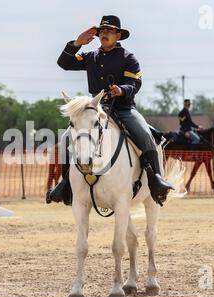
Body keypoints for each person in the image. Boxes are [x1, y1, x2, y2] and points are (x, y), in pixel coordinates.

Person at [46, 15, 173, 207]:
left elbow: (135, 83)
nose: (104, 34)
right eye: (101, 31)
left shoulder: (129, 58)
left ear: (118, 35)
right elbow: (64, 63)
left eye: (109, 31)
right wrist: (77, 43)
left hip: (123, 109)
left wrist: (122, 90)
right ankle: (65, 184)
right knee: (65, 138)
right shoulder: (90, 57)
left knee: (145, 134)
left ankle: (156, 180)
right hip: (95, 110)